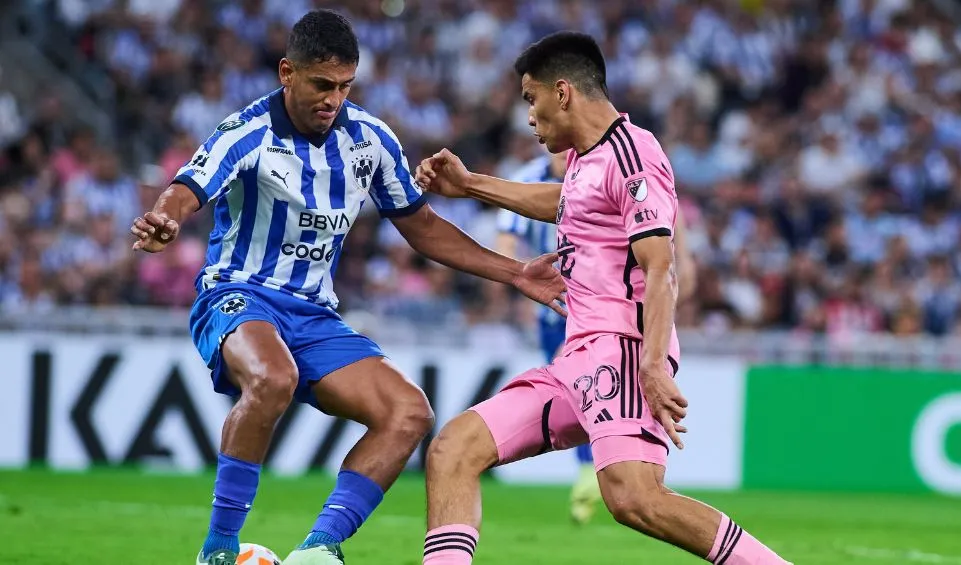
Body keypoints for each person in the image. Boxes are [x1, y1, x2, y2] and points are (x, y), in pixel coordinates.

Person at [129, 11, 565, 565]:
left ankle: (319, 550)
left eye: (344, 86)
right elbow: (187, 187)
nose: (332, 99)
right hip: (238, 294)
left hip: (313, 314)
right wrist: (165, 219)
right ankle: (216, 551)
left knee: (409, 412)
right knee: (271, 377)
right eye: (320, 84)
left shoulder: (371, 140)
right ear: (287, 72)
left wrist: (515, 270)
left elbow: (422, 227)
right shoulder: (247, 132)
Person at [415, 32, 791, 565]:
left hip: (623, 353)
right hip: (577, 358)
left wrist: (654, 365)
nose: (529, 115)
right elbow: (563, 202)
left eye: (531, 98)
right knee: (453, 449)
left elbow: (661, 269)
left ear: (562, 92)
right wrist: (472, 185)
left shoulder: (633, 152)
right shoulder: (585, 161)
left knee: (635, 499)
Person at [497, 150, 700, 526]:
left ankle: (599, 472)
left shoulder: (613, 167)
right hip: (555, 306)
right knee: (580, 391)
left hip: (605, 308)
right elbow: (507, 239)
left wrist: (678, 277)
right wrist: (519, 275)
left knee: (590, 384)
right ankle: (596, 470)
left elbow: (671, 240)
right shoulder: (528, 177)